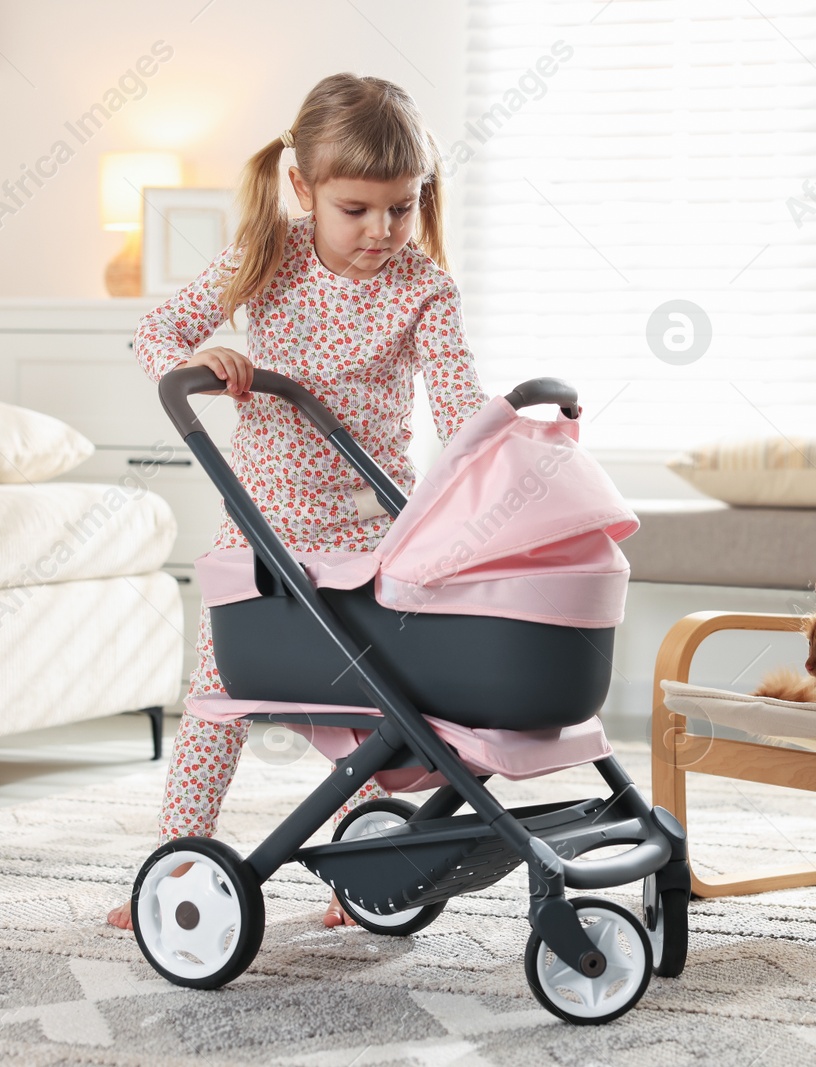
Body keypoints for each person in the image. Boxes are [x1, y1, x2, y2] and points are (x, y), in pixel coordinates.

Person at [108, 73, 487, 930]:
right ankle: (170, 870)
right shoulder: (267, 256)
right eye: (357, 209)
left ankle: (357, 878)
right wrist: (207, 352)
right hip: (263, 533)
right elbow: (155, 333)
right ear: (303, 188)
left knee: (371, 709)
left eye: (402, 207)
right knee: (216, 698)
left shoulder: (425, 287)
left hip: (372, 533)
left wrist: (497, 455)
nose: (382, 231)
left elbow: (460, 405)